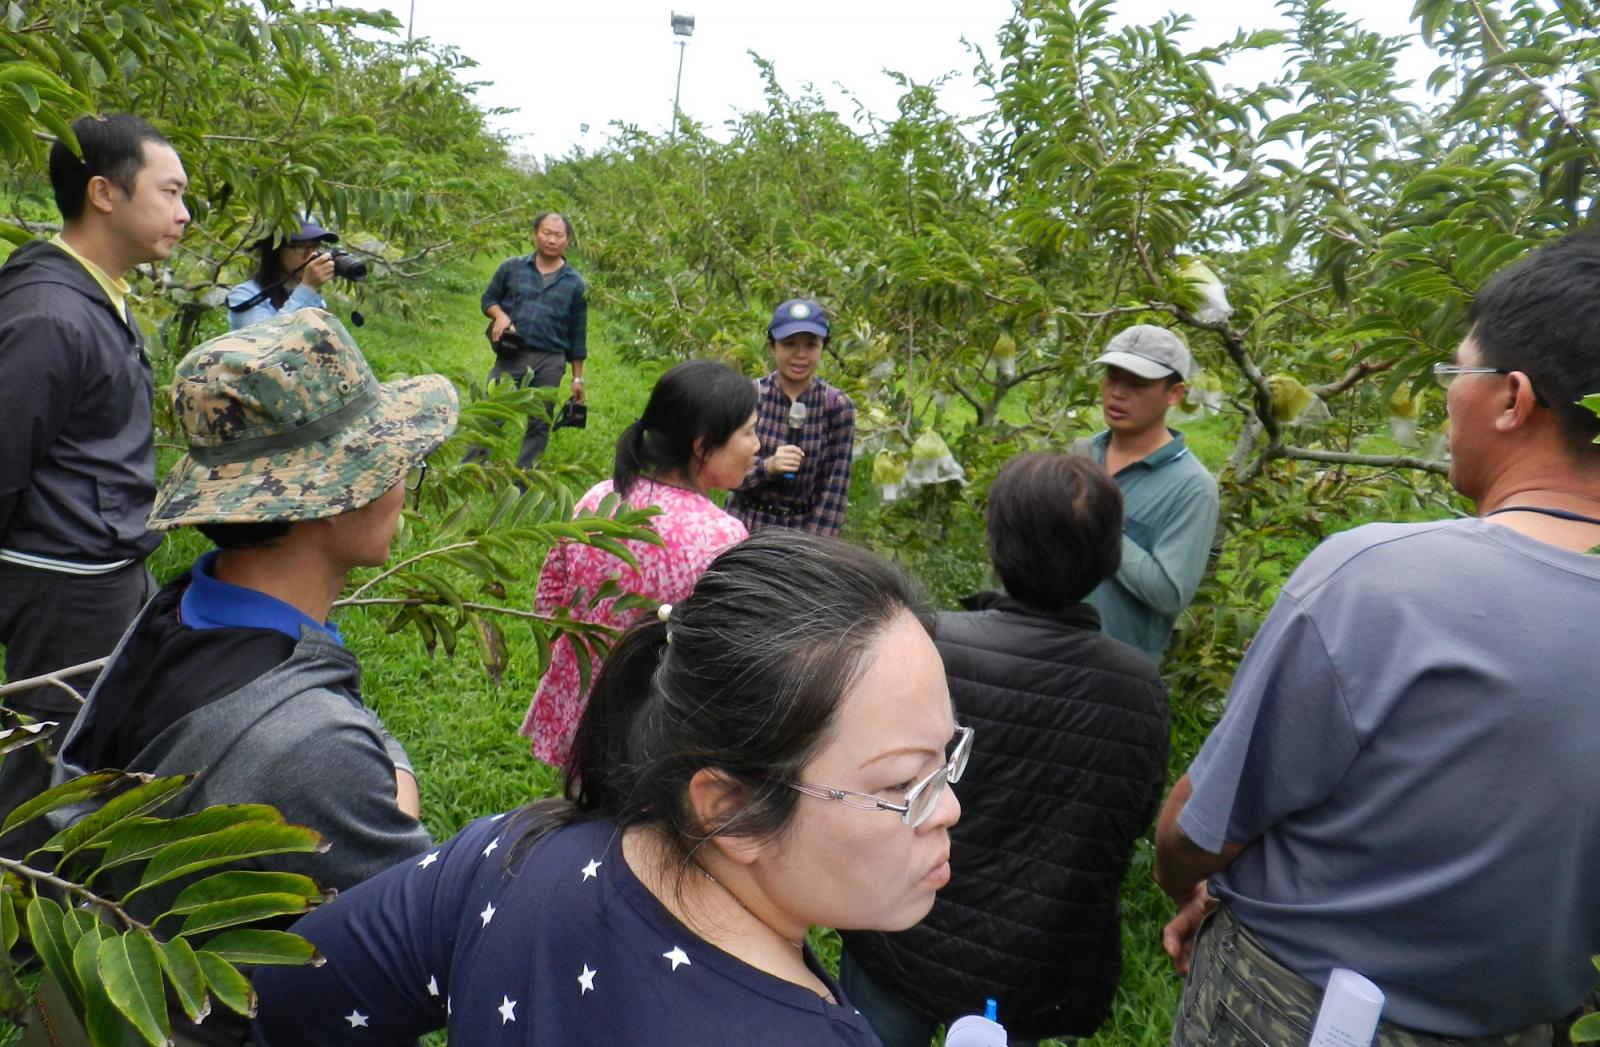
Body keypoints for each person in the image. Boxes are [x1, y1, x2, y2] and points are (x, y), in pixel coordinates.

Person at [252, 530, 966, 1046]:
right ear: (731, 809)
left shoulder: (512, 851)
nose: (951, 807)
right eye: (906, 782)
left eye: (948, 757)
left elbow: (283, 991)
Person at [1155, 232, 1600, 1044]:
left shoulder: (1379, 579)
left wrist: (1190, 882)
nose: (1442, 400)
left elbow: (1199, 827)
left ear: (1511, 398)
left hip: (1298, 1009)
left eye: (1454, 374)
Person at [50, 308, 457, 916]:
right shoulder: (315, 748)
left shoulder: (180, 605)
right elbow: (412, 917)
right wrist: (396, 780)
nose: (402, 485)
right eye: (395, 464)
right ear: (335, 498)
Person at [840, 452, 1168, 1047]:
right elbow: (1128, 820)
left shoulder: (930, 648)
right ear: (1108, 557)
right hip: (1040, 966)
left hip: (903, 933)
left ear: (999, 544)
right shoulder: (1138, 687)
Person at [0, 113, 189, 839]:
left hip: (96, 562)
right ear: (105, 193)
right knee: (46, 753)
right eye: (170, 192)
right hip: (64, 578)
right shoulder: (49, 313)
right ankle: (27, 907)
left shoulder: (91, 293)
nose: (183, 212)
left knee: (88, 734)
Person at [519, 360, 757, 768]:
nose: (757, 445)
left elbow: (549, 600)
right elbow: (719, 655)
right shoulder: (722, 537)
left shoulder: (599, 498)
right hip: (652, 722)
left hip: (577, 697)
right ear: (702, 446)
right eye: (749, 431)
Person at [1081, 324, 1218, 663]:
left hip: (1112, 673)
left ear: (1175, 394)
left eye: (1138, 385)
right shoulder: (1083, 455)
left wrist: (1097, 520)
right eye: (1112, 378)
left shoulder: (1192, 487)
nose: (1118, 394)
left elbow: (1169, 594)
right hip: (1041, 653)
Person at [725, 298, 856, 537]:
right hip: (743, 525)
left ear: (822, 348)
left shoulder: (836, 407)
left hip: (800, 533)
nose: (800, 355)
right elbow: (727, 474)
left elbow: (834, 491)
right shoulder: (748, 396)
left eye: (810, 345)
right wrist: (768, 467)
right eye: (789, 344)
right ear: (772, 346)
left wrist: (811, 554)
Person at [476, 211, 588, 468]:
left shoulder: (576, 284)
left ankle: (525, 477)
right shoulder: (511, 268)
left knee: (539, 422)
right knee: (491, 411)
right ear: (535, 234)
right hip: (511, 354)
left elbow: (578, 335)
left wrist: (577, 378)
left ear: (567, 240)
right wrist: (501, 317)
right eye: (546, 233)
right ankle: (471, 468)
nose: (552, 239)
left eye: (558, 235)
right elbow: (488, 300)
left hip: (551, 361)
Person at [226, 218, 339, 329]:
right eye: (299, 246)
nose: (310, 255)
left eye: (314, 246)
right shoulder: (244, 295)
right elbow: (266, 342)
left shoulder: (314, 299)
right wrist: (308, 287)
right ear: (276, 249)